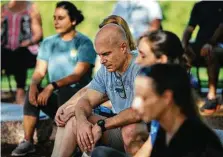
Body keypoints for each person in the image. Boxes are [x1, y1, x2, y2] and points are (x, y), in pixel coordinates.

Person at [11, 1, 96, 156]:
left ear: (73, 21)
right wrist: (34, 86)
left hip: (80, 100)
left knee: (64, 91)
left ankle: (74, 144)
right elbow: (39, 71)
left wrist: (52, 86)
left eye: (61, 18)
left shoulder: (84, 43)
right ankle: (28, 142)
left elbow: (77, 75)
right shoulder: (49, 43)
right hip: (56, 97)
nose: (56, 21)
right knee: (34, 92)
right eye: (54, 17)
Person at [91, 30, 189, 157]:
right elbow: (151, 144)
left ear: (161, 60)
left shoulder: (170, 95)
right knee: (100, 153)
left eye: (142, 55)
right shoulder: (164, 87)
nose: (136, 61)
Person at [51, 15, 138, 157]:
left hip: (140, 131)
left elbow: (137, 112)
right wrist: (82, 121)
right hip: (117, 129)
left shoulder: (140, 66)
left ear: (123, 47)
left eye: (106, 54)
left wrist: (102, 125)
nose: (102, 61)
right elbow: (86, 100)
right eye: (99, 55)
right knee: (74, 119)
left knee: (131, 129)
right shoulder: (106, 69)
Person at [92, 64, 223, 157]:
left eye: (144, 97)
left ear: (166, 98)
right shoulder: (163, 129)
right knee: (101, 153)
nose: (136, 104)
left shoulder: (194, 140)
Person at [182, 1, 223, 114]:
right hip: (200, 45)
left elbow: (221, 27)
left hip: (218, 45)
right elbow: (190, 28)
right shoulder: (199, 6)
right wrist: (183, 45)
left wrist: (210, 43)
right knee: (180, 55)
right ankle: (186, 93)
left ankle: (212, 96)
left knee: (211, 52)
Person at [1, 0, 43, 104]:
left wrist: (28, 42)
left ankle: (20, 92)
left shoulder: (31, 8)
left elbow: (38, 34)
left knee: (19, 52)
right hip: (6, 50)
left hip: (27, 50)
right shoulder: (3, 9)